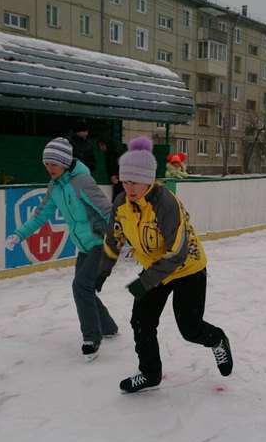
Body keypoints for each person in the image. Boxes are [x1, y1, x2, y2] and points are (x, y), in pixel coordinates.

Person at [96, 136, 233, 393]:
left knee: (190, 329)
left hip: (187, 268)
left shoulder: (165, 204)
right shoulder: (121, 204)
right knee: (141, 322)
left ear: (148, 180)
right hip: (155, 268)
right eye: (125, 181)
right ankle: (150, 373)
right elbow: (114, 238)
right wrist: (103, 270)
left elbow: (177, 253)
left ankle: (217, 340)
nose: (129, 188)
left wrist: (145, 282)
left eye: (135, 182)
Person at [4, 137, 118, 361]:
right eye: (47, 163)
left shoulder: (82, 182)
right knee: (84, 288)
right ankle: (108, 327)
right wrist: (19, 234)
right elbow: (40, 216)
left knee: (81, 286)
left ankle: (91, 338)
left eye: (54, 163)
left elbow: (108, 211)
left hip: (101, 243)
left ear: (65, 162)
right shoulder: (55, 187)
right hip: (84, 246)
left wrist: (124, 239)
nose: (50, 168)